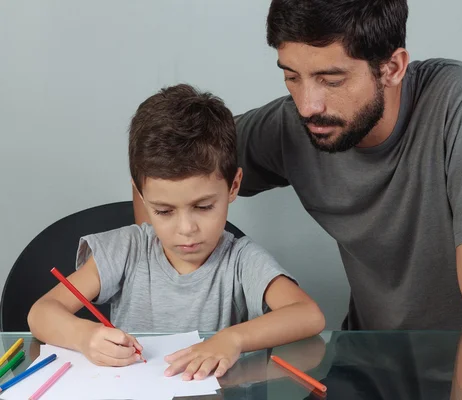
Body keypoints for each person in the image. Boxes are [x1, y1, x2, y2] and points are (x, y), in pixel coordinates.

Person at [134, 0, 462, 332]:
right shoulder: (293, 125)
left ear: (392, 67)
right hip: (374, 368)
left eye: (331, 80)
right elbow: (161, 163)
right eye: (292, 76)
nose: (307, 105)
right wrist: (164, 294)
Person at [28, 84, 325, 381]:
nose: (186, 229)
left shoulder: (241, 260)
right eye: (164, 211)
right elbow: (41, 313)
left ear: (233, 186)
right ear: (141, 195)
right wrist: (86, 336)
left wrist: (233, 339)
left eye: (204, 206)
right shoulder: (127, 250)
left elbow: (308, 314)